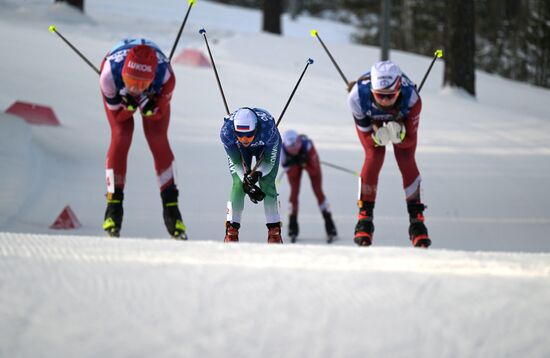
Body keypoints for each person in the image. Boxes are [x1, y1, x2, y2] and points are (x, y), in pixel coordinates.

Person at [99, 38, 187, 239]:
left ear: (152, 78)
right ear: (123, 74)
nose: (135, 89)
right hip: (122, 80)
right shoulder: (109, 76)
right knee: (122, 134)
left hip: (154, 91)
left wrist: (151, 107)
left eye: (141, 84)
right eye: (131, 82)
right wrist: (128, 107)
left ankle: (172, 210)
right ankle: (113, 208)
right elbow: (118, 117)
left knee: (157, 138)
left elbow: (157, 115)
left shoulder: (166, 77)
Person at [347, 60, 431, 248]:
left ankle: (417, 220)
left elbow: (410, 140)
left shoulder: (412, 99)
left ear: (399, 89)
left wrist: (400, 135)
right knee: (374, 156)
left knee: (406, 158)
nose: (385, 101)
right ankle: (364, 218)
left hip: (401, 117)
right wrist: (376, 138)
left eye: (390, 96)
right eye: (380, 96)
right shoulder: (357, 97)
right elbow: (368, 140)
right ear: (372, 92)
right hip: (371, 119)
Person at [220, 107, 283, 243]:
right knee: (238, 184)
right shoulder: (227, 133)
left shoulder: (268, 131)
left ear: (256, 129)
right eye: (240, 134)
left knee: (267, 183)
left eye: (249, 134)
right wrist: (246, 179)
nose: (244, 139)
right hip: (239, 150)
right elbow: (236, 162)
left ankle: (274, 231)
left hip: (265, 146)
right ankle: (231, 230)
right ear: (234, 131)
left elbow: (268, 161)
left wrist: (256, 174)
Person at [281, 129, 337, 242]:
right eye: (291, 149)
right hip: (295, 166)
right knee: (294, 193)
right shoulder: (282, 152)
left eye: (295, 147)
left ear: (299, 142)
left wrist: (304, 163)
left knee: (318, 191)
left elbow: (314, 171)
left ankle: (329, 223)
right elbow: (291, 173)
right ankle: (293, 225)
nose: (294, 151)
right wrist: (294, 163)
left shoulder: (308, 146)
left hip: (308, 162)